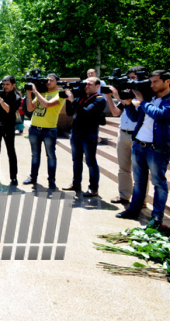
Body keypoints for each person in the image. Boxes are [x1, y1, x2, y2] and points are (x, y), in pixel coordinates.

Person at [116, 70, 170, 230]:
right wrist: (127, 103)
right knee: (139, 182)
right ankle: (134, 210)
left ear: (167, 82)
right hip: (139, 145)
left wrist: (142, 102)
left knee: (158, 183)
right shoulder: (151, 98)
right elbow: (135, 118)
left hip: (157, 148)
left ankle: (157, 217)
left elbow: (160, 114)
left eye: (155, 82)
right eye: (151, 82)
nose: (151, 85)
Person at [61, 77, 107, 197]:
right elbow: (70, 112)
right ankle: (76, 184)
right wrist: (68, 100)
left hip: (89, 134)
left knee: (91, 162)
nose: (86, 86)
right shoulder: (80, 97)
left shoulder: (99, 100)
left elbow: (86, 113)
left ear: (97, 86)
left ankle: (93, 188)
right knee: (76, 161)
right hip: (76, 133)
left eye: (90, 84)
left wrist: (73, 101)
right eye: (85, 84)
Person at [104, 67, 143, 204]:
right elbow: (115, 112)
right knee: (123, 168)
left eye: (133, 78)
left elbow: (136, 105)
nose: (130, 81)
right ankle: (124, 196)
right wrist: (109, 97)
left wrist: (117, 94)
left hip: (139, 137)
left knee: (140, 171)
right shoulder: (125, 95)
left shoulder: (144, 94)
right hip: (123, 134)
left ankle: (141, 200)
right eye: (129, 78)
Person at [23, 73, 66, 189]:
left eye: (51, 80)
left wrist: (35, 91)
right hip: (34, 128)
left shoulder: (60, 94)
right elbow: (30, 108)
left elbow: (47, 104)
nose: (48, 82)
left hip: (49, 130)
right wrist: (29, 94)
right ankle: (33, 177)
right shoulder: (42, 93)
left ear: (57, 82)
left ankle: (51, 180)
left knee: (51, 156)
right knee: (35, 155)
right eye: (47, 80)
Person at [0, 76, 21, 184]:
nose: (5, 86)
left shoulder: (16, 97)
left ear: (13, 85)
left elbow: (9, 110)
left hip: (8, 127)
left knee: (11, 151)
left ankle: (13, 177)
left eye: (7, 84)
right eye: (4, 84)